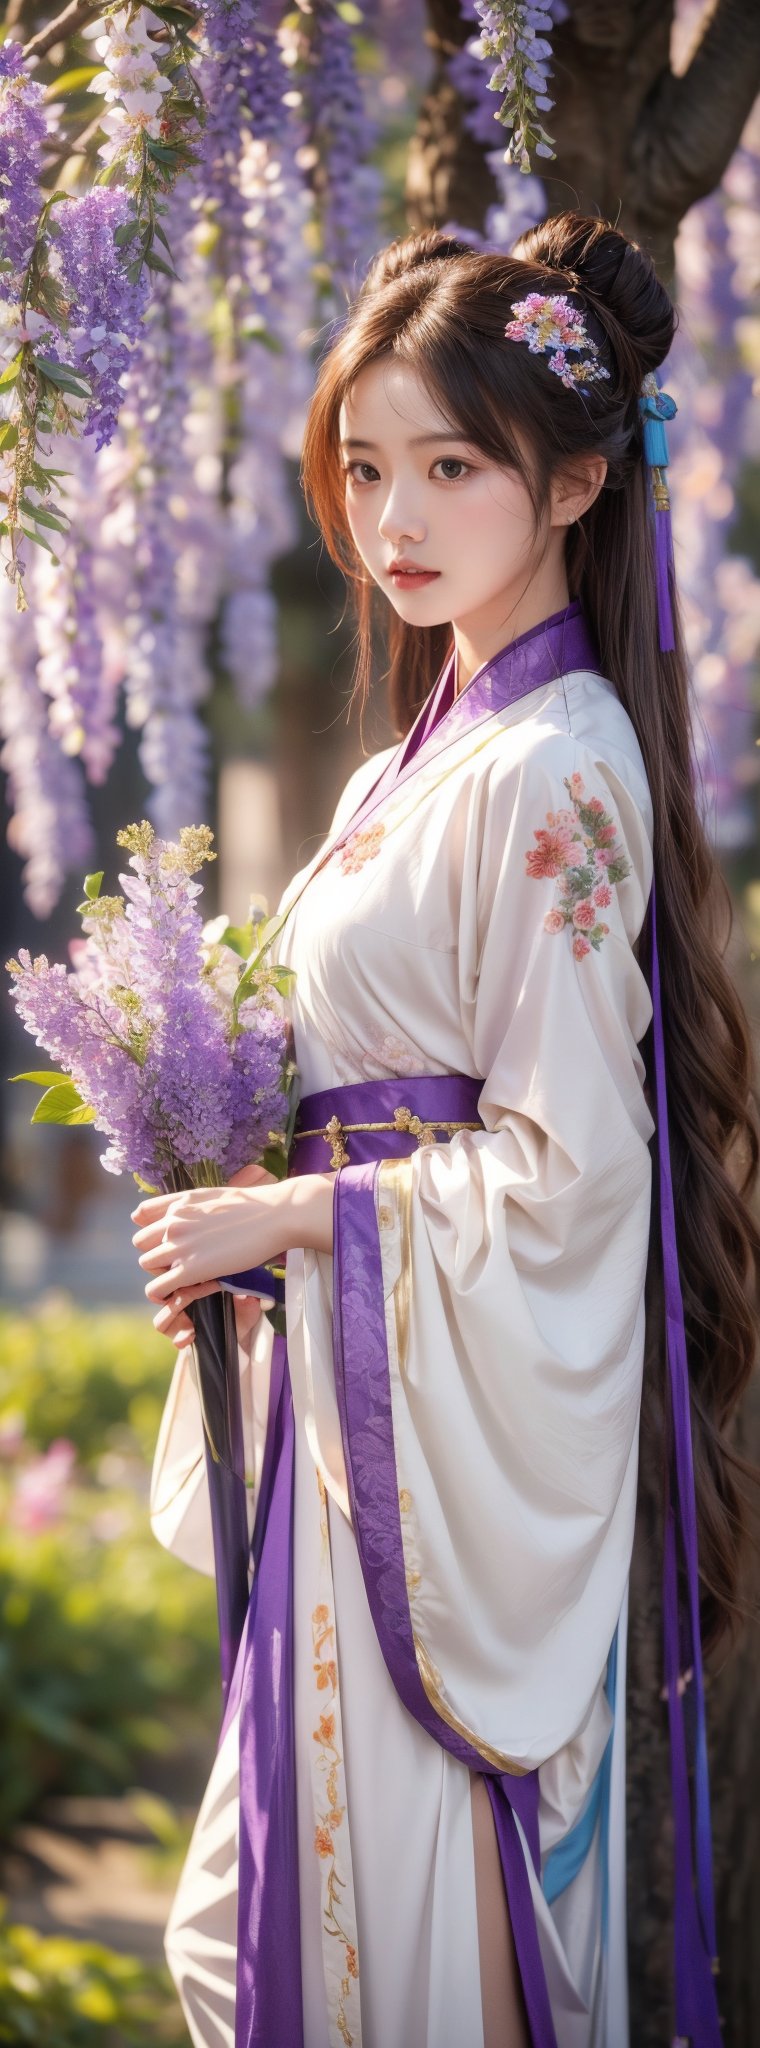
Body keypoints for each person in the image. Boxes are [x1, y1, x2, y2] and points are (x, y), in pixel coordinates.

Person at [131, 211, 759, 2048]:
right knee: (257, 1931)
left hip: (438, 1432)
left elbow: (577, 1171)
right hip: (361, 1402)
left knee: (363, 1951)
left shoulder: (561, 763)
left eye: (454, 466)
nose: (393, 518)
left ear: (573, 478)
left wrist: (303, 1224)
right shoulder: (418, 761)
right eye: (368, 467)